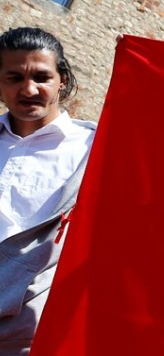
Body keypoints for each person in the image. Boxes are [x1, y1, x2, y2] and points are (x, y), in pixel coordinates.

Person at [0, 27, 95, 354]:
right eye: (13, 78)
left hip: (31, 334)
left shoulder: (95, 147)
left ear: (62, 80)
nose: (29, 89)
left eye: (42, 76)